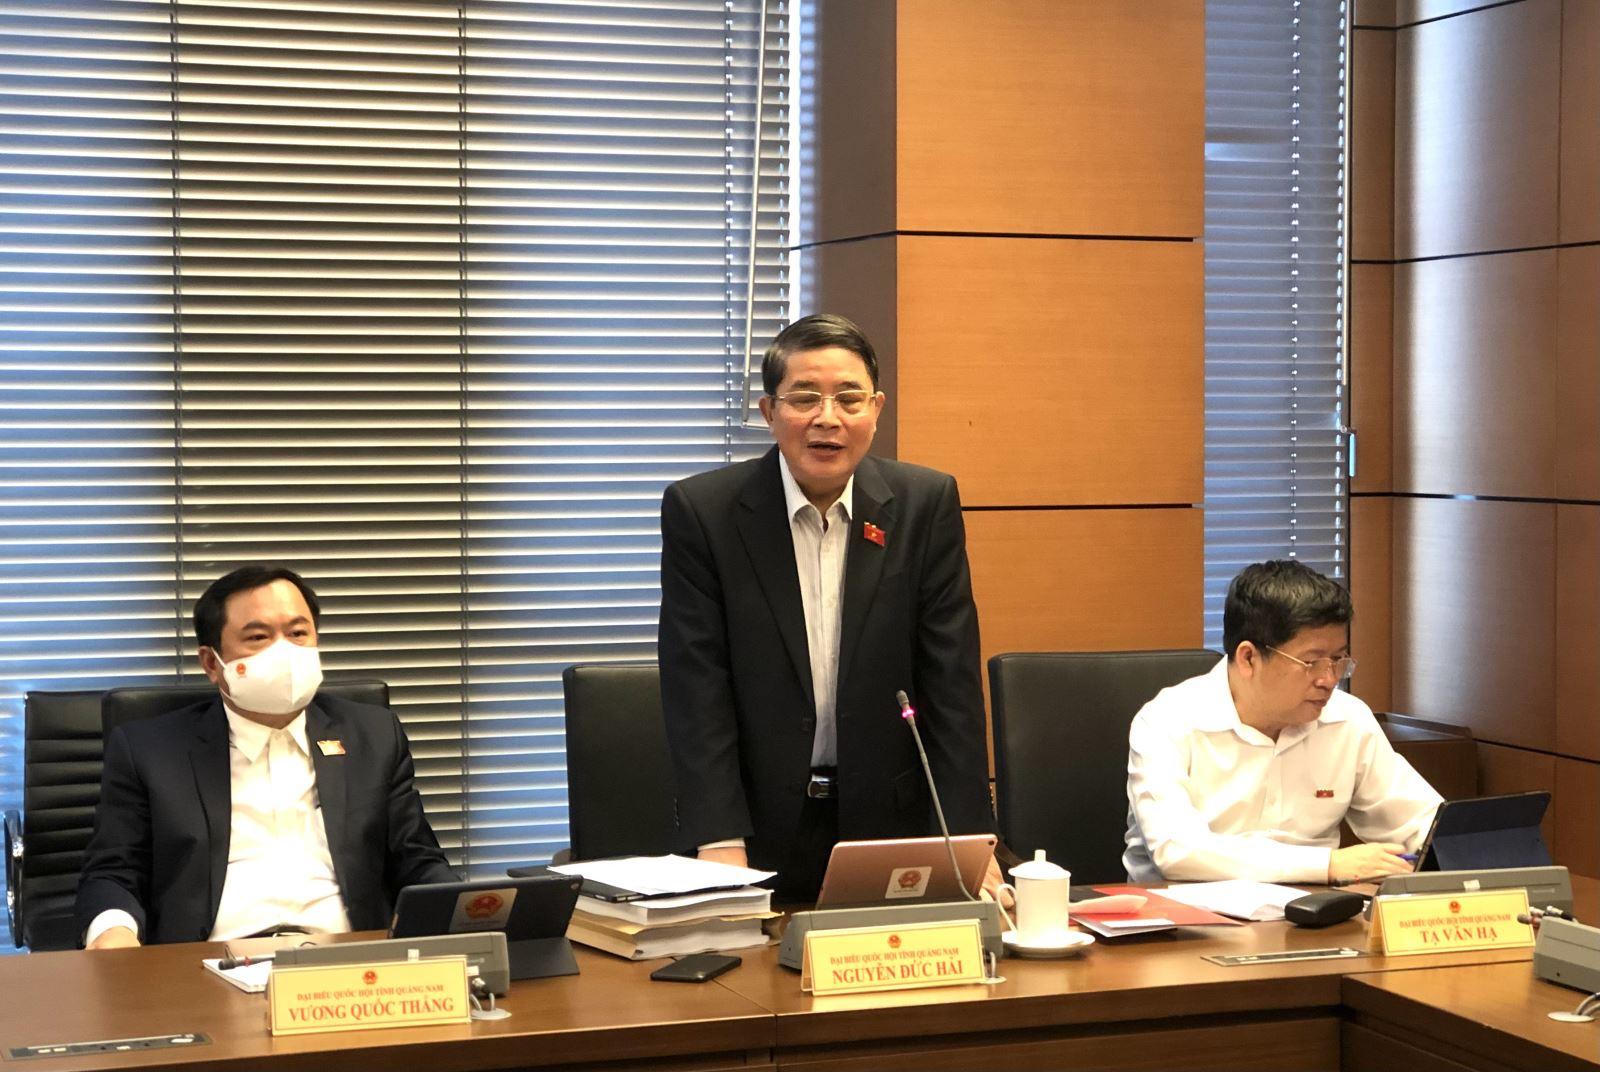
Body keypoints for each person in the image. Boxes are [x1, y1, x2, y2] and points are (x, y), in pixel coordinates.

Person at [658, 312, 999, 902]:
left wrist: (967, 838)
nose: (827, 418)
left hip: (891, 825)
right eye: (804, 398)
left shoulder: (924, 504)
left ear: (876, 409)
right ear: (770, 412)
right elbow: (697, 687)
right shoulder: (705, 512)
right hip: (754, 829)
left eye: (849, 397)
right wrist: (719, 837)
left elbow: (951, 685)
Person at [76, 565, 456, 948]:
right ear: (211, 663)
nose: (284, 652)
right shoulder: (149, 750)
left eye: (297, 633)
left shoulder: (372, 736)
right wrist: (114, 932)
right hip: (208, 961)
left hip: (347, 959)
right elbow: (114, 873)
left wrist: (463, 917)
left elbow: (417, 860)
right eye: (258, 637)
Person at [1123, 559, 1442, 885]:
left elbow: (1424, 825)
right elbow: (1177, 851)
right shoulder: (1167, 721)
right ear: (1249, 658)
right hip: (1187, 911)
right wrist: (1328, 865)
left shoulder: (1348, 720)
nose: (1329, 679)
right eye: (1311, 662)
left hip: (1315, 910)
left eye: (1337, 659)